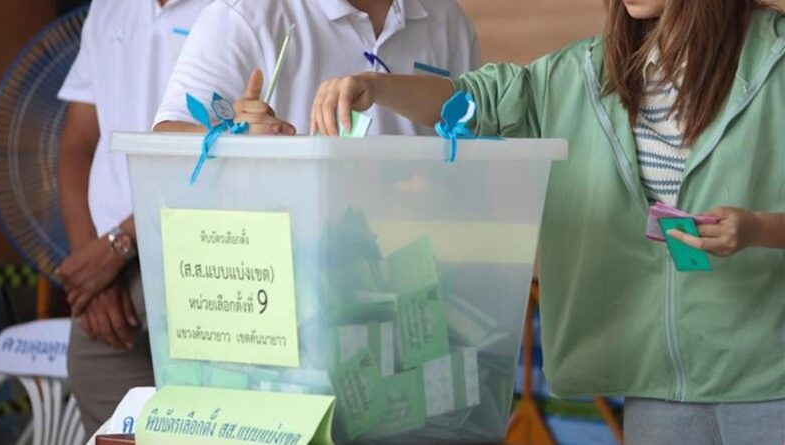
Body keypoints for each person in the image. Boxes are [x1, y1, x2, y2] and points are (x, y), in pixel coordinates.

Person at [310, 0, 785, 443]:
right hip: (655, 390)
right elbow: (472, 100)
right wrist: (377, 88)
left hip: (770, 380)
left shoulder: (775, 59)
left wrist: (760, 229)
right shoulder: (582, 74)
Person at [56, 0, 210, 436]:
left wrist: (119, 244)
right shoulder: (109, 7)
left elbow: (232, 148)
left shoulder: (245, 10)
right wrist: (92, 270)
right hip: (111, 278)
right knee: (115, 428)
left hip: (206, 260)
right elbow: (77, 145)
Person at [152, 0, 480, 135]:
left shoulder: (447, 19)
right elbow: (166, 140)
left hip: (419, 252)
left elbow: (477, 143)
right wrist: (232, 139)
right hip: (283, 254)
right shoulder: (243, 15)